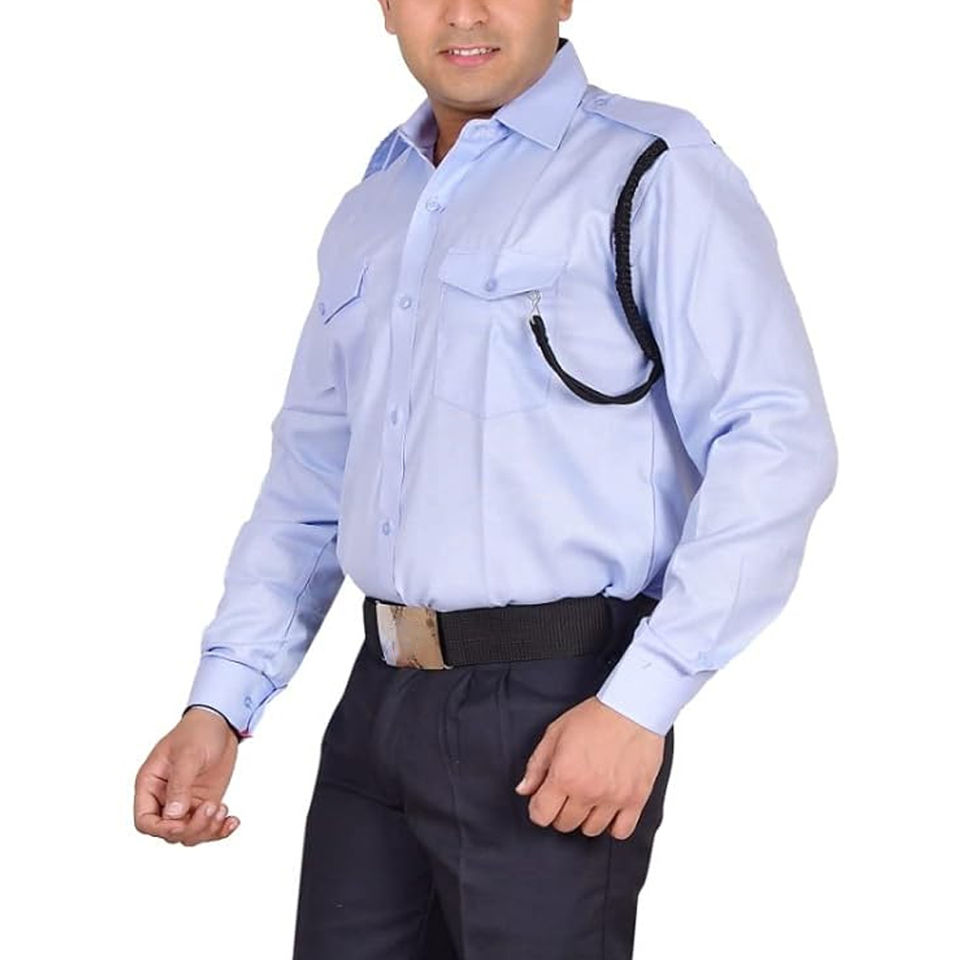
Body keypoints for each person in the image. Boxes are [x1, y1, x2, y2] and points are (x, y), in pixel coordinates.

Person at [134, 2, 838, 957]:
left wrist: (640, 702)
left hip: (557, 706)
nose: (464, 12)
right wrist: (221, 702)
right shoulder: (377, 202)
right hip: (377, 698)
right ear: (387, 8)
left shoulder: (649, 167)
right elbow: (311, 477)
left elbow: (775, 440)